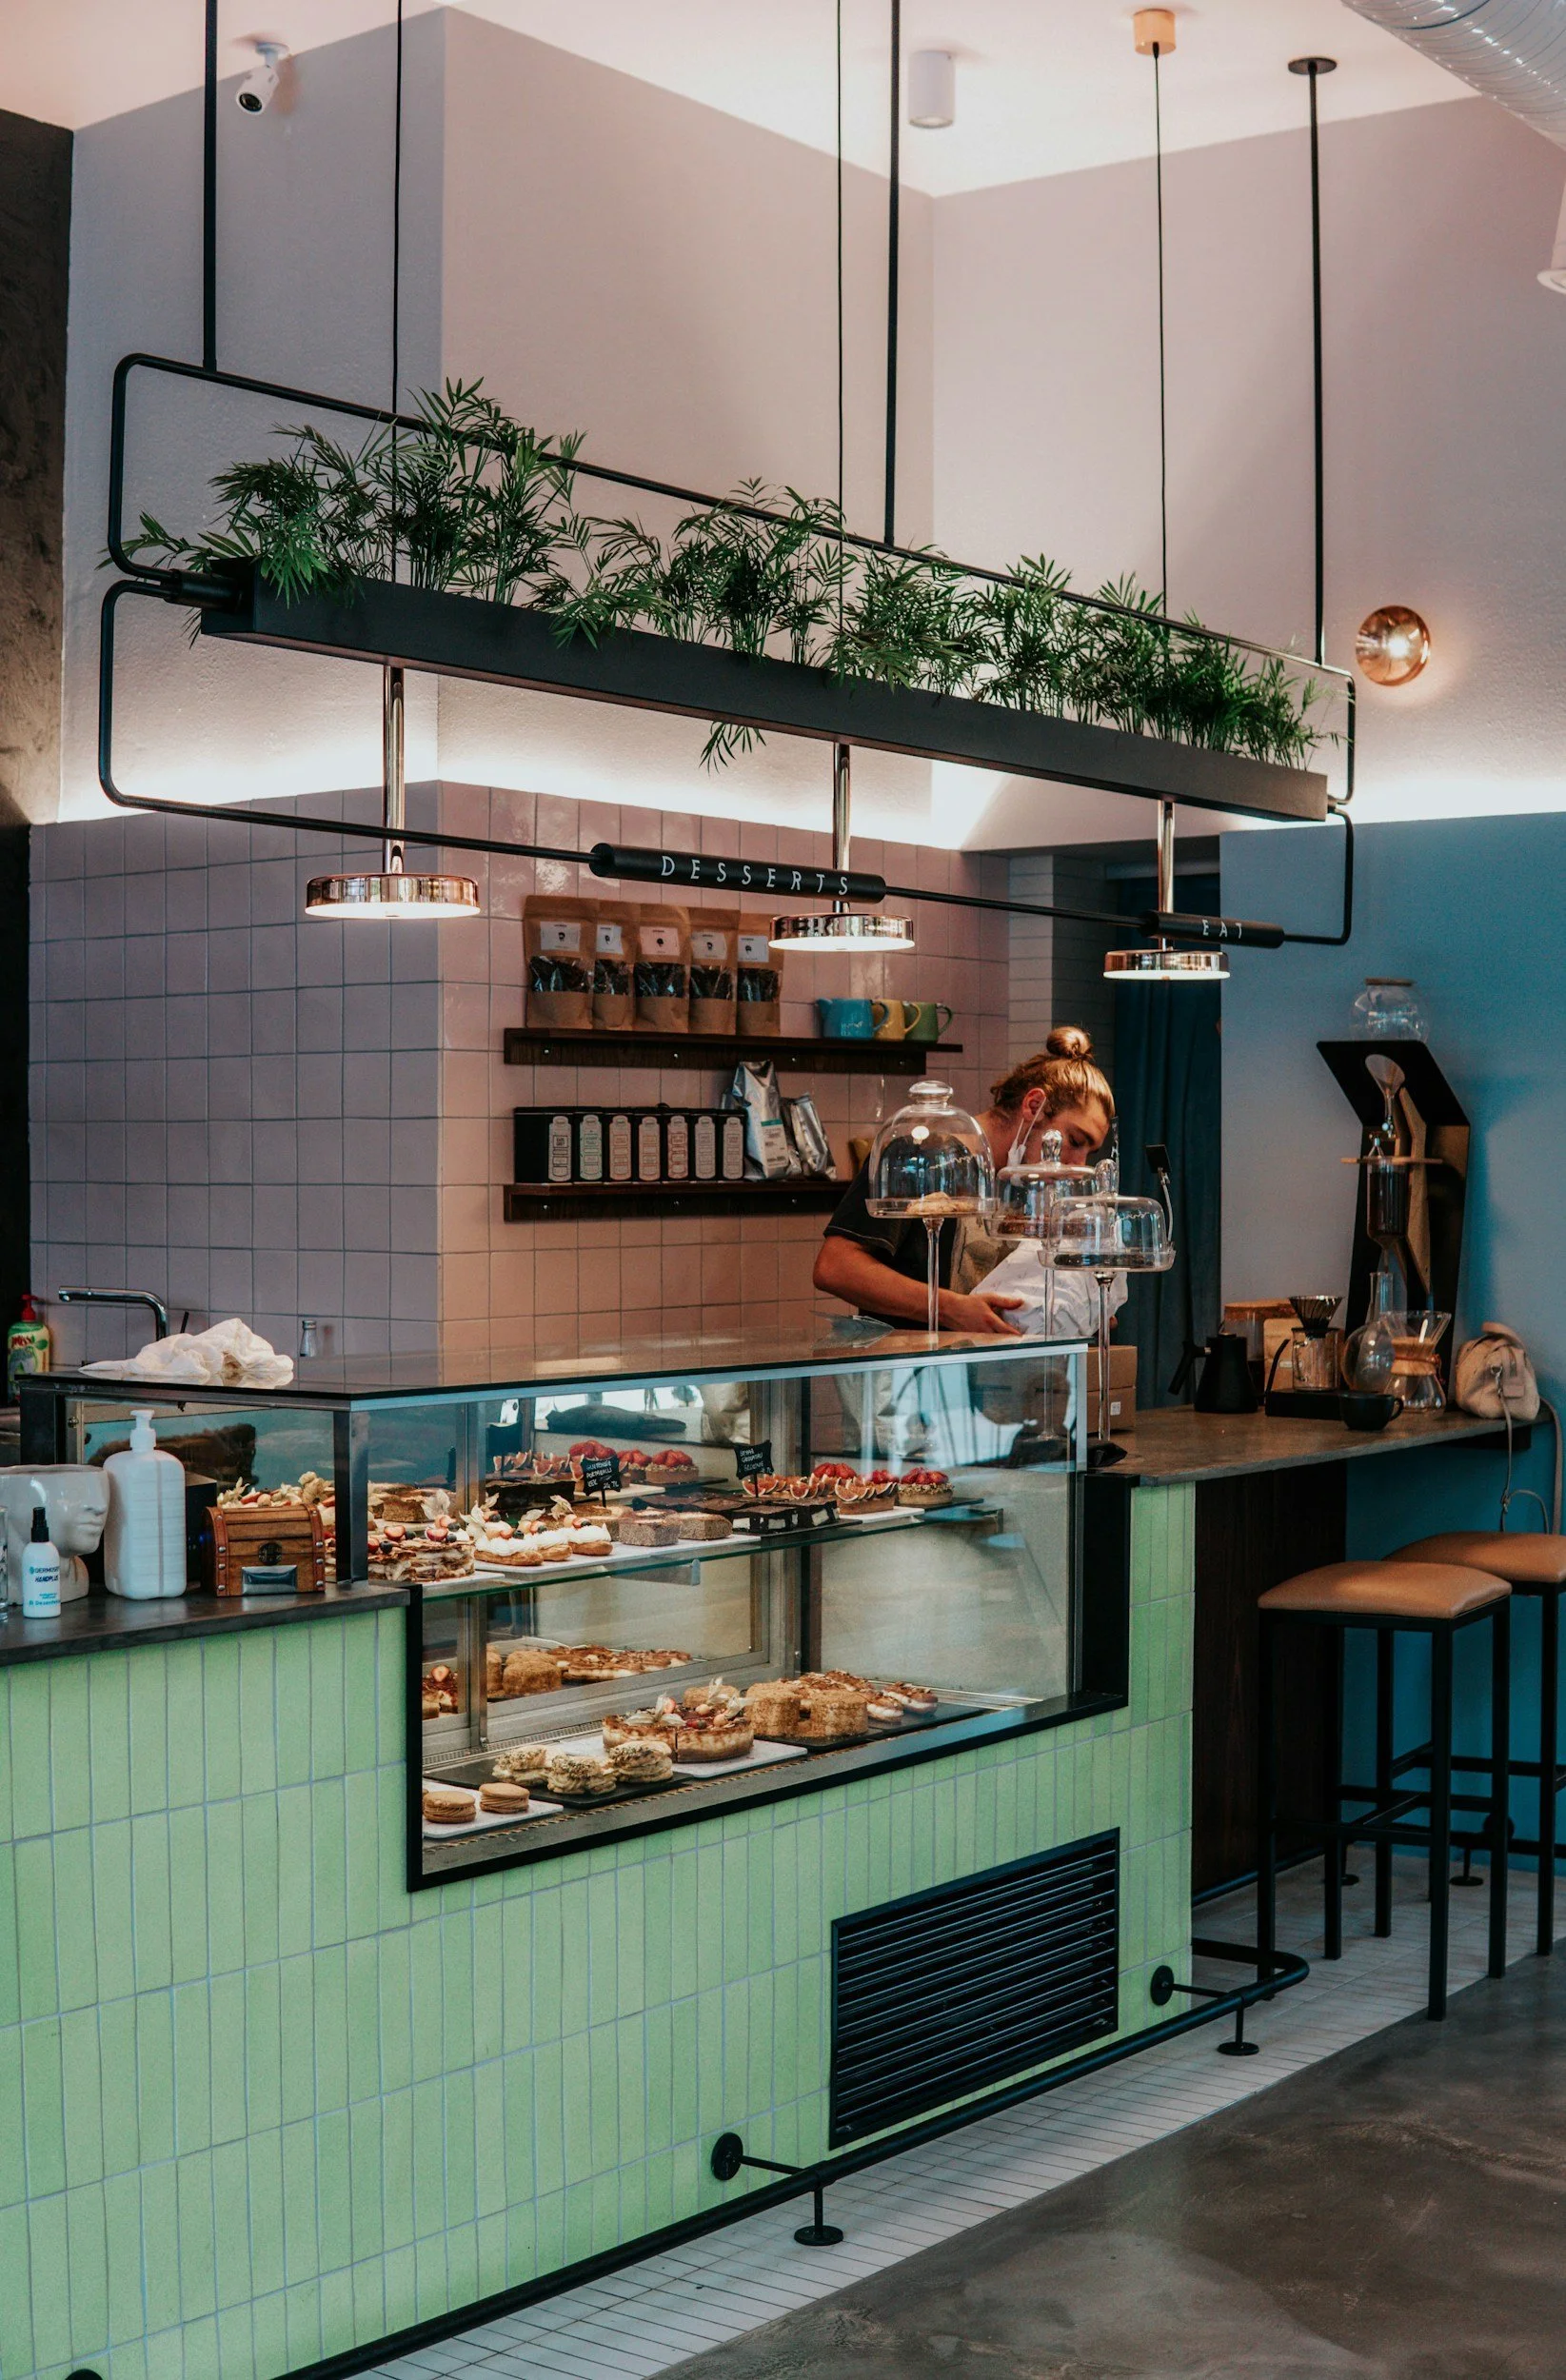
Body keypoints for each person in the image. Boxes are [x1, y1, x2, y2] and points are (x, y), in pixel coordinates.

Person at [814, 1026, 1116, 1334]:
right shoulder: (923, 1156)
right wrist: (950, 1309)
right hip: (903, 1372)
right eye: (1075, 1141)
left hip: (984, 1374)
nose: (1078, 1164)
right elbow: (836, 1267)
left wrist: (1076, 1307)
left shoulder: (1025, 1188)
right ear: (1033, 1106)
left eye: (1089, 1152)